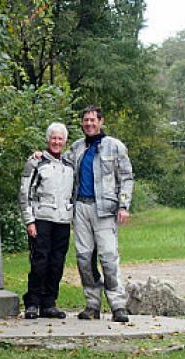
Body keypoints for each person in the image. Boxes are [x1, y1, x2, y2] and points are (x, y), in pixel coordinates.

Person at [69, 106, 133, 322]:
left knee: (108, 258)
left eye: (92, 120)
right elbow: (60, 165)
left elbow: (126, 178)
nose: (89, 124)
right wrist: (40, 156)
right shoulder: (76, 148)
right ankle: (92, 305)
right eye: (85, 120)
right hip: (81, 209)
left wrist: (123, 206)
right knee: (84, 259)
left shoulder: (115, 146)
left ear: (101, 121)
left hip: (104, 210)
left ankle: (118, 305)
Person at [18, 122, 74, 319]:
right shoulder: (36, 162)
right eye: (53, 138)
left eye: (60, 138)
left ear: (65, 141)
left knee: (57, 263)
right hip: (41, 219)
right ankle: (32, 303)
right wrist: (29, 221)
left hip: (63, 221)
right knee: (39, 262)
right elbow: (25, 193)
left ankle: (49, 303)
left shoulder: (69, 164)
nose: (56, 142)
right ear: (48, 139)